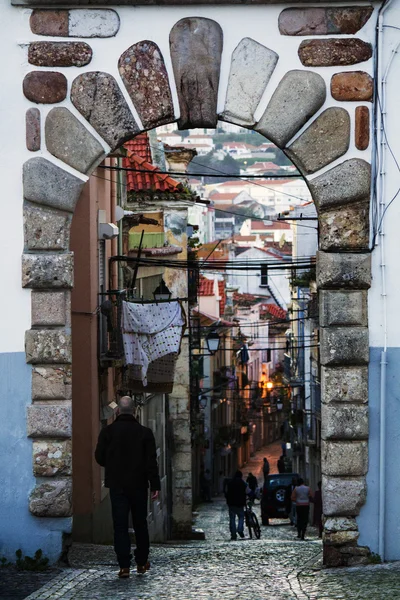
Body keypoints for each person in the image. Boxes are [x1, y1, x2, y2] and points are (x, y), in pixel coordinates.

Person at [95, 396, 160, 578]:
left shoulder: (107, 432)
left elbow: (99, 457)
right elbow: (151, 463)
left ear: (117, 411)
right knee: (140, 524)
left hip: (117, 485)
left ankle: (124, 566)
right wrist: (155, 485)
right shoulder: (145, 433)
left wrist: (113, 463)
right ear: (134, 411)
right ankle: (141, 562)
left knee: (120, 525)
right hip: (139, 485)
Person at [226, 470, 247, 540]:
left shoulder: (230, 483)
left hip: (231, 504)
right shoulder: (243, 483)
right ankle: (240, 529)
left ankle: (233, 534)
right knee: (241, 517)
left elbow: (226, 492)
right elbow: (248, 491)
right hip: (240, 504)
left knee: (232, 519)